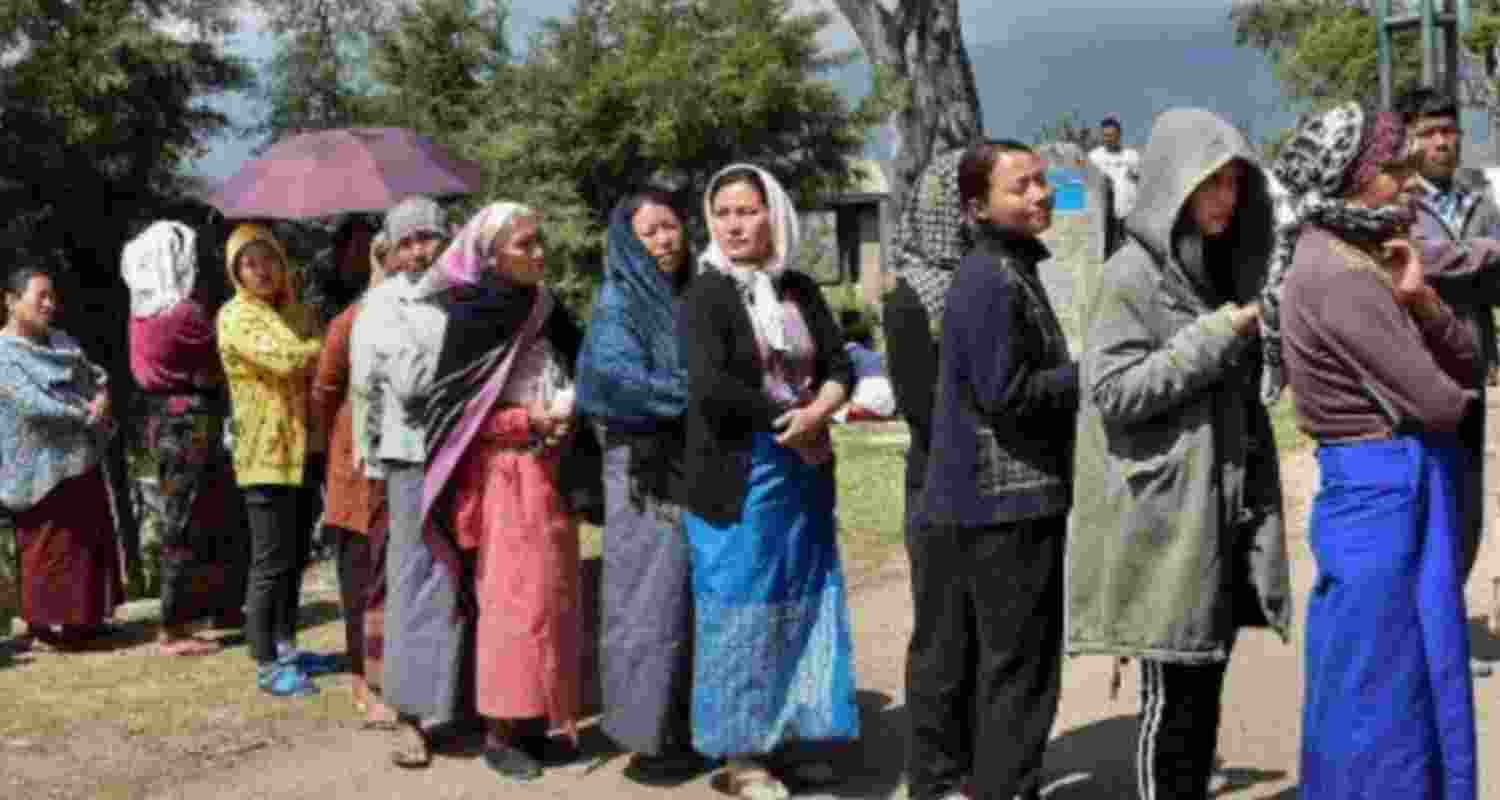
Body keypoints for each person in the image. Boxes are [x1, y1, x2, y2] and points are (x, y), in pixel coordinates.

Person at [1067, 109, 1291, 800]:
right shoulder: (1131, 275)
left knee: (1203, 697)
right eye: (1210, 183)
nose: (1225, 198)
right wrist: (1219, 333)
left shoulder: (1220, 269)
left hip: (1216, 512)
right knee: (1172, 706)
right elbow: (1113, 391)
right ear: (1172, 184)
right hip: (1164, 520)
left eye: (1233, 183)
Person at [1274, 103, 1480, 800]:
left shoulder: (1362, 256)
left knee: (1403, 682)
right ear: (1356, 179)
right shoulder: (1336, 274)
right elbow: (1445, 400)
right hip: (1380, 493)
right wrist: (1438, 339)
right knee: (1381, 696)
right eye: (1393, 168)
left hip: (1388, 487)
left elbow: (1466, 364)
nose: (1409, 180)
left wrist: (1422, 300)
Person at [678, 164, 859, 800]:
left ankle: (790, 736)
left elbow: (840, 363)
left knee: (799, 606)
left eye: (747, 210)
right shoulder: (706, 294)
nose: (734, 224)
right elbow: (712, 386)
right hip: (739, 476)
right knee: (741, 609)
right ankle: (741, 754)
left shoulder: (797, 288)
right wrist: (795, 419)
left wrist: (819, 410)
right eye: (723, 212)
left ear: (773, 215)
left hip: (803, 471)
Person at [915, 140, 1076, 800]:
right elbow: (1003, 394)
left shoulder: (1010, 268)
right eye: (1021, 187)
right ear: (977, 207)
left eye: (1042, 182)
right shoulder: (989, 277)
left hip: (1003, 500)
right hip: (1006, 504)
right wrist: (1087, 378)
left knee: (1002, 662)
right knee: (1019, 667)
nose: (1039, 195)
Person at [413, 201, 595, 781]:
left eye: (540, 242)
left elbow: (583, 365)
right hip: (504, 477)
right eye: (525, 245)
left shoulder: (547, 306)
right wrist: (525, 422)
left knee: (556, 596)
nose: (539, 253)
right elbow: (454, 415)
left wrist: (571, 414)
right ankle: (500, 729)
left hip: (552, 473)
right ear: (491, 256)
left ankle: (541, 718)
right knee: (514, 604)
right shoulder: (471, 316)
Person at [575, 189, 714, 785]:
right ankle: (648, 740)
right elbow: (619, 387)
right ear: (627, 244)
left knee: (690, 601)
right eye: (650, 231)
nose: (665, 240)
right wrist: (704, 395)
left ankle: (685, 727)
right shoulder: (618, 306)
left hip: (692, 463)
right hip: (643, 472)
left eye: (671, 227)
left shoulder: (693, 296)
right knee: (646, 604)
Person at [881, 149, 978, 800]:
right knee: (942, 634)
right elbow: (920, 403)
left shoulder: (983, 274)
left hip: (984, 480)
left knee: (979, 634)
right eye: (964, 200)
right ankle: (934, 773)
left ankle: (973, 763)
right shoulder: (911, 290)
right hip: (939, 480)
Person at [350, 196, 460, 767]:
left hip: (464, 453)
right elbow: (412, 381)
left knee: (460, 576)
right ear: (391, 250)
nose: (420, 251)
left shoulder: (462, 294)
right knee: (414, 578)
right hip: (412, 457)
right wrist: (464, 352)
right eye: (408, 241)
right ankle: (412, 715)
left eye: (430, 238)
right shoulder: (382, 305)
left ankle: (457, 703)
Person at [122, 220, 247, 656]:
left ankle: (207, 610)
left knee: (196, 513)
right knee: (192, 517)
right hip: (189, 420)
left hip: (163, 419)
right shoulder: (182, 314)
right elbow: (226, 351)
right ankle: (175, 626)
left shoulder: (143, 309)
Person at [216, 223, 330, 696]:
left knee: (296, 556)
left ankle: (287, 646)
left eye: (269, 260)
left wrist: (314, 349)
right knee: (269, 560)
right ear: (236, 271)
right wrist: (316, 348)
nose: (261, 270)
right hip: (264, 452)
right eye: (249, 262)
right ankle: (265, 662)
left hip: (307, 448)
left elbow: (317, 357)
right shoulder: (235, 316)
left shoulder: (299, 311)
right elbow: (288, 359)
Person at [1398, 87, 1500, 595]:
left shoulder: (1479, 198)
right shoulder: (1396, 201)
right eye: (1429, 133)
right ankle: (1420, 629)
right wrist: (1480, 255)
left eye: (1449, 131)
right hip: (1416, 373)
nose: (1442, 142)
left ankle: (1449, 619)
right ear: (1408, 139)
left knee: (1466, 504)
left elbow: (1491, 281)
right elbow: (1413, 265)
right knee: (1424, 498)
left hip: (1471, 369)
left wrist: (1453, 262)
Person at [0, 266, 123, 651]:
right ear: (11, 301)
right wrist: (87, 414)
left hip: (80, 457)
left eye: (53, 297)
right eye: (42, 297)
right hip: (37, 467)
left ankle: (86, 620)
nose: (51, 305)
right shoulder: (3, 354)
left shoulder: (62, 341)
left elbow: (94, 376)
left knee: (87, 541)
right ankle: (47, 627)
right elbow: (33, 406)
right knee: (48, 548)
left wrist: (102, 397)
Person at [312, 228, 396, 725]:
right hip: (357, 474)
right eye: (385, 258)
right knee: (360, 579)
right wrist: (345, 446)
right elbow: (323, 394)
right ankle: (362, 678)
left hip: (407, 473)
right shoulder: (350, 321)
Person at [1089, 116, 1141, 257]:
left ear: (1119, 135)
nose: (1109, 138)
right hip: (1104, 214)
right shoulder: (1094, 157)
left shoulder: (1132, 156)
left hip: (1128, 212)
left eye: (1112, 135)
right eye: (1105, 135)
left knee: (1130, 251)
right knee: (1107, 251)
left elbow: (1141, 180)